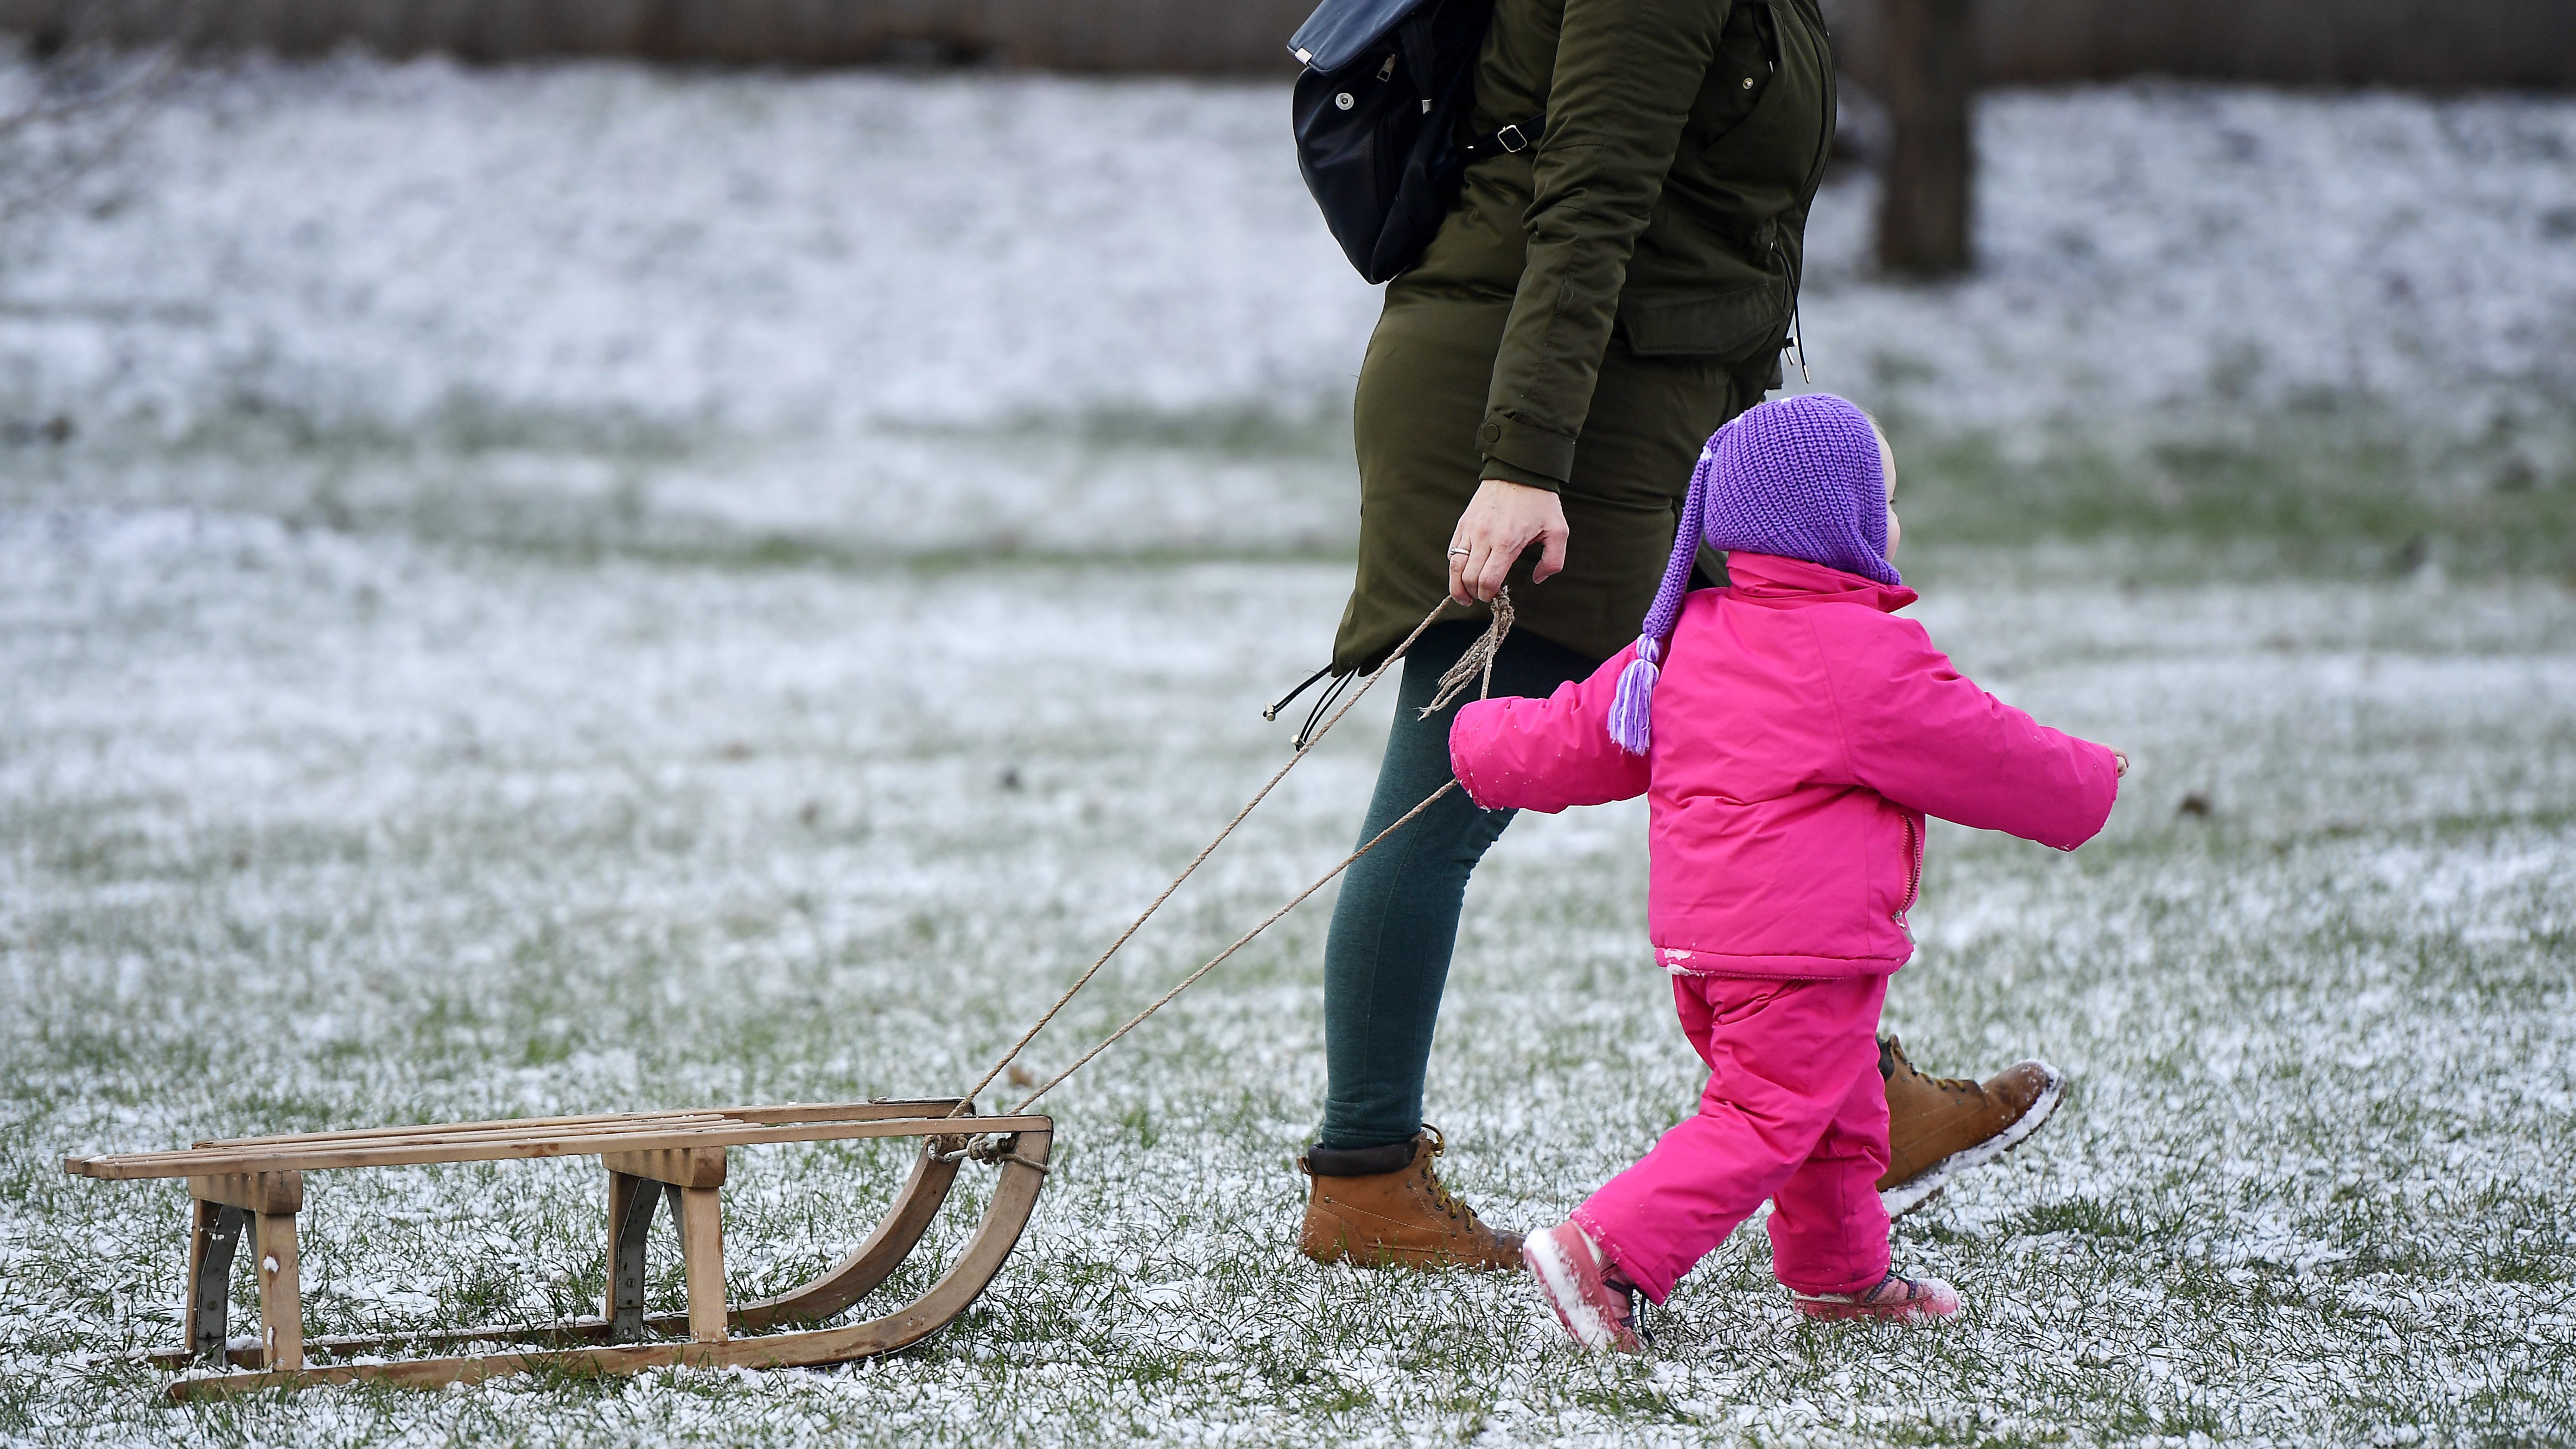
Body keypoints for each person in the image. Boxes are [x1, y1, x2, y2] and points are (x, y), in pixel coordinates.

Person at [1296, 0, 2063, 1269]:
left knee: (1782, 744)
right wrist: (1522, 464)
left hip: (1653, 411)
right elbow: (1590, 194)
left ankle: (1854, 1104)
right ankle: (1364, 1180)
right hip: (1544, 417)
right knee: (1443, 796)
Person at [1448, 395, 2125, 1347]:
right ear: (1838, 522)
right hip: (1797, 955)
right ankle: (1604, 1252)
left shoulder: (1685, 639)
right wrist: (2090, 781)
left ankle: (1843, 1273)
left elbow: (1580, 731)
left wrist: (1478, 743)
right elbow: (1988, 751)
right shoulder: (1866, 656)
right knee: (1763, 1120)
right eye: (1881, 500)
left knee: (1839, 1117)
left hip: (1708, 954)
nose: (1892, 521)